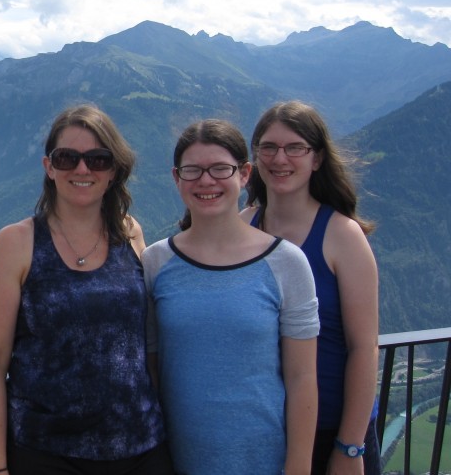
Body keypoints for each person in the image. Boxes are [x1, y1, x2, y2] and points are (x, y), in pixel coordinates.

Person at [0, 104, 172, 475]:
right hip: (47, 453)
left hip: (142, 448)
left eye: (97, 159)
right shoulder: (16, 244)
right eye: (67, 158)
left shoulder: (129, 234)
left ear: (113, 171)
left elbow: (148, 345)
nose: (82, 169)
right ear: (49, 167)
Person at [142, 118, 319, 475]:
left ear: (244, 174)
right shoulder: (155, 263)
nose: (206, 181)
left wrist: (298, 466)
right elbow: (152, 369)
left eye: (220, 168)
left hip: (264, 461)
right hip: (176, 461)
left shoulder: (286, 263)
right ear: (177, 178)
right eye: (193, 170)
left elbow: (302, 379)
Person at [242, 101, 381, 475]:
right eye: (268, 147)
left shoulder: (342, 236)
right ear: (254, 157)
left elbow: (363, 348)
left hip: (333, 427)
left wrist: (349, 448)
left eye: (295, 148)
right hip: (265, 424)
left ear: (316, 159)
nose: (279, 158)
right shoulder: (241, 227)